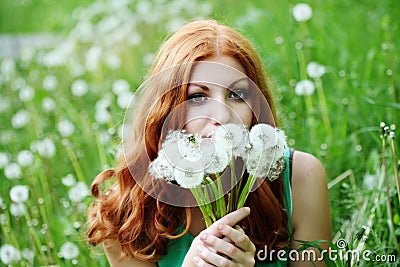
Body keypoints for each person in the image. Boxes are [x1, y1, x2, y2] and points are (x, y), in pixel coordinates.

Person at [87, 19, 332, 266]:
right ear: (166, 110)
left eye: (237, 95)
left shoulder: (299, 178)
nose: (223, 116)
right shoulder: (125, 212)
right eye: (197, 97)